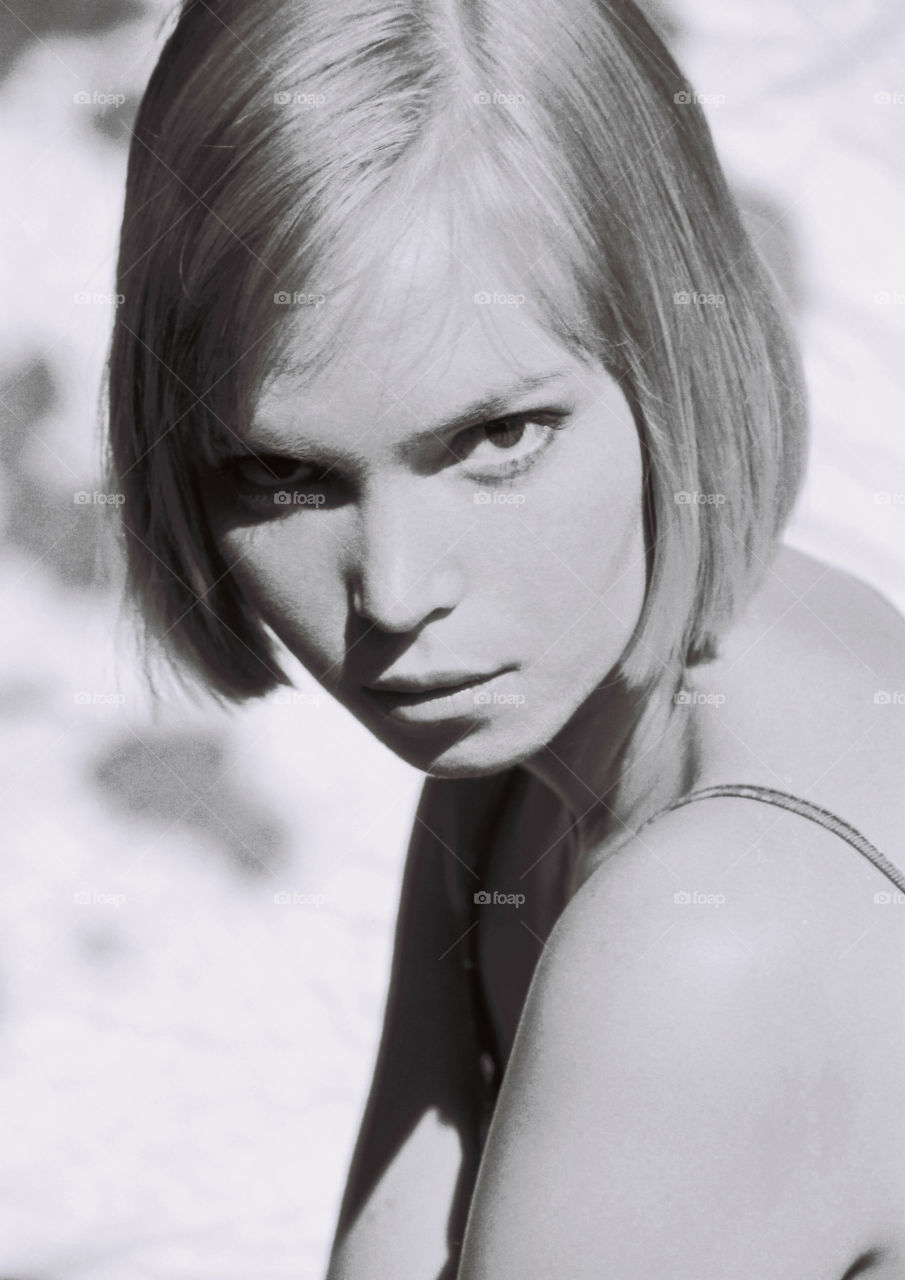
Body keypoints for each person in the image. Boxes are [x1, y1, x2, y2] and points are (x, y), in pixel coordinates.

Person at [105, 0, 905, 1275]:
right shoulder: (571, 711)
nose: (397, 593)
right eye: (281, 473)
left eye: (495, 439)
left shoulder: (711, 939)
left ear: (671, 355)